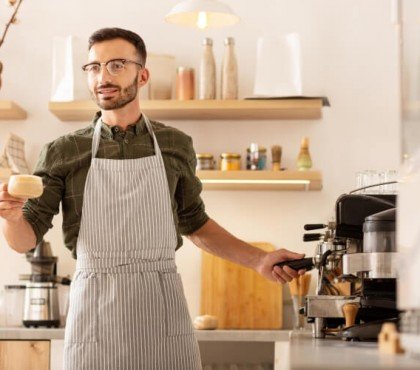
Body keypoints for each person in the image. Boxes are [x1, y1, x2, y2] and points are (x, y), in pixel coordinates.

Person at [0, 28, 305, 370]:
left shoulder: (175, 145)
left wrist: (259, 261)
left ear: (142, 75)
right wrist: (12, 218)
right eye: (94, 67)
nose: (103, 76)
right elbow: (25, 239)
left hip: (161, 308)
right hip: (96, 313)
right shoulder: (63, 151)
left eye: (116, 65)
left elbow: (195, 223)